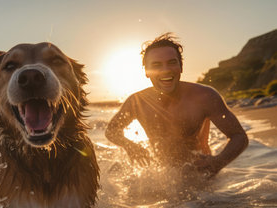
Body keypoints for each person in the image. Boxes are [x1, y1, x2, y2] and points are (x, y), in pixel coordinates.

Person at [105, 33, 248, 178]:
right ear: (146, 72)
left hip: (201, 176)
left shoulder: (204, 97)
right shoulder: (137, 102)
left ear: (181, 66)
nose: (165, 69)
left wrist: (218, 162)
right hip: (161, 177)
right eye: (156, 65)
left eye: (172, 62)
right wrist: (131, 147)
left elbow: (239, 136)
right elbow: (112, 130)